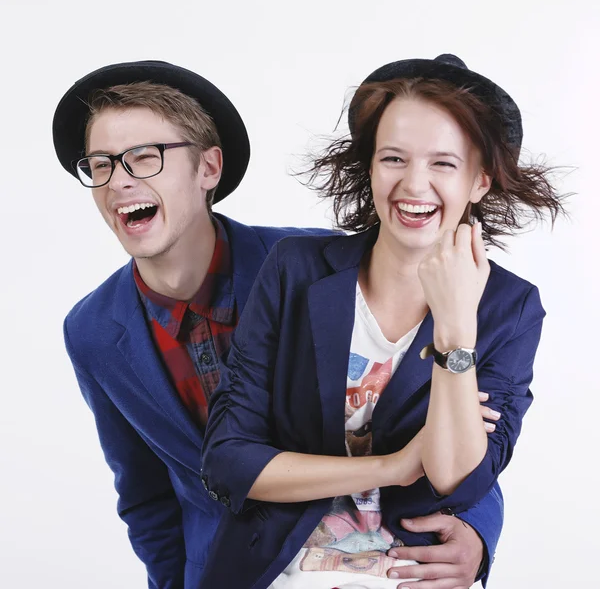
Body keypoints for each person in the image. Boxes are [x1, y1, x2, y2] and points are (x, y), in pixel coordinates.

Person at [55, 59, 506, 589]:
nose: (119, 181)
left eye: (144, 158)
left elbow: (438, 406)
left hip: (376, 561)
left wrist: (476, 532)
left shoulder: (315, 268)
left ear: (209, 169)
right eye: (101, 164)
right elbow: (145, 495)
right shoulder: (91, 330)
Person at [200, 54, 565, 589]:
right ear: (370, 165)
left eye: (443, 163)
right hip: (272, 573)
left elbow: (458, 480)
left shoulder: (509, 307)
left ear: (480, 181)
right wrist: (392, 467)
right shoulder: (294, 270)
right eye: (394, 158)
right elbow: (229, 460)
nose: (413, 185)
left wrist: (457, 328)